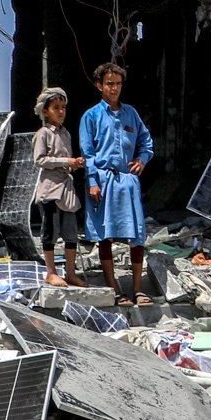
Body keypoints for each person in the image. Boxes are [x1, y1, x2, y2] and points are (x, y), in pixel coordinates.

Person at [79, 61, 154, 306]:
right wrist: (92, 182)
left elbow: (146, 141)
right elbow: (88, 153)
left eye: (118, 84)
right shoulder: (91, 116)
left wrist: (142, 160)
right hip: (103, 180)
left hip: (128, 181)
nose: (114, 89)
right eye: (109, 84)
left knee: (137, 235)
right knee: (105, 235)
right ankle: (113, 288)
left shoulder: (131, 113)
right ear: (99, 85)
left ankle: (137, 289)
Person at [32, 86, 85, 287]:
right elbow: (40, 160)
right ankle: (51, 272)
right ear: (45, 111)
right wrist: (66, 162)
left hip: (66, 188)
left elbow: (66, 160)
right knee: (50, 232)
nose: (61, 111)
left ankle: (70, 273)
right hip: (50, 188)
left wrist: (75, 164)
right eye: (56, 107)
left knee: (71, 232)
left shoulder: (66, 134)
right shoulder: (43, 133)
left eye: (63, 107)